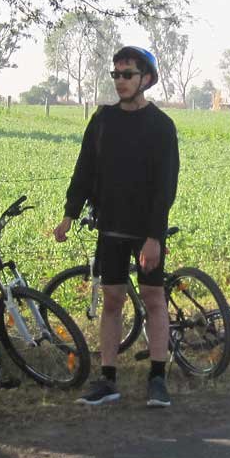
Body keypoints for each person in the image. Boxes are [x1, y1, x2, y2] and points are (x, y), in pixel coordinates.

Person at [54, 46, 179, 408]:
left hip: (146, 229)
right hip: (110, 227)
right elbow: (84, 169)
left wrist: (154, 237)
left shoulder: (161, 126)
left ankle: (158, 377)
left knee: (154, 299)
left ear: (146, 79)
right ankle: (108, 379)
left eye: (128, 74)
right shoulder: (102, 120)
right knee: (112, 300)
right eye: (116, 74)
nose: (120, 81)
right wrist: (69, 214)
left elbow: (165, 187)